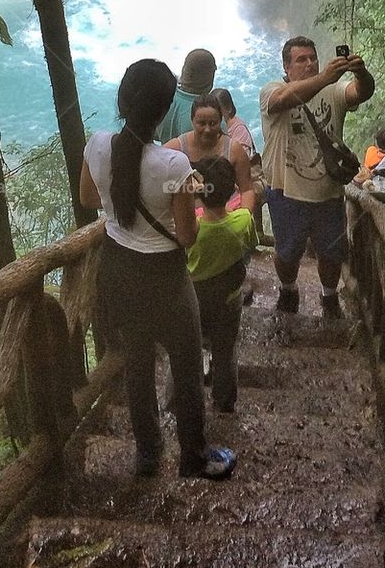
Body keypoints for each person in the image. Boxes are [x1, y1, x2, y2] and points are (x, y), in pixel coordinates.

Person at [80, 60, 236, 480]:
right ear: (167, 109)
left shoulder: (96, 145)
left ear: (122, 99)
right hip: (165, 278)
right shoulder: (173, 166)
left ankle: (148, 455)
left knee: (137, 361)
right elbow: (187, 237)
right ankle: (193, 456)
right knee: (185, 367)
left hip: (117, 269)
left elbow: (89, 199)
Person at [260, 36, 375, 318]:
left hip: (328, 191)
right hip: (285, 190)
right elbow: (283, 100)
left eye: (313, 58)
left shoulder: (333, 91)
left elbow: (362, 92)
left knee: (331, 254)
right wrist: (324, 77)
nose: (310, 63)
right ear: (286, 67)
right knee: (287, 253)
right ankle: (288, 289)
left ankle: (329, 296)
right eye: (301, 60)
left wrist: (360, 72)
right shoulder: (271, 90)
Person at [186, 156, 257, 413]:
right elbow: (249, 246)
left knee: (186, 350)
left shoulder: (190, 228)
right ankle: (224, 401)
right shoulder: (243, 221)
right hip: (228, 299)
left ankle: (179, 402)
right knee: (226, 350)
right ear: (233, 191)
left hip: (193, 300)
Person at [165, 95, 256, 215]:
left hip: (229, 214)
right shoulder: (176, 148)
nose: (207, 129)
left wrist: (244, 218)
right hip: (189, 219)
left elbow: (247, 190)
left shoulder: (234, 150)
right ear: (192, 121)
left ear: (221, 121)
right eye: (201, 123)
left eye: (213, 123)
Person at [210, 86, 266, 249]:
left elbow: (239, 161)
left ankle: (246, 241)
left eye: (218, 110)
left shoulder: (238, 128)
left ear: (227, 108)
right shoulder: (224, 129)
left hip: (253, 180)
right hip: (240, 181)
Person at [156, 48, 216, 143]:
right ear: (210, 76)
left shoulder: (163, 101)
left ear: (184, 70)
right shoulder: (211, 116)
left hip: (165, 156)